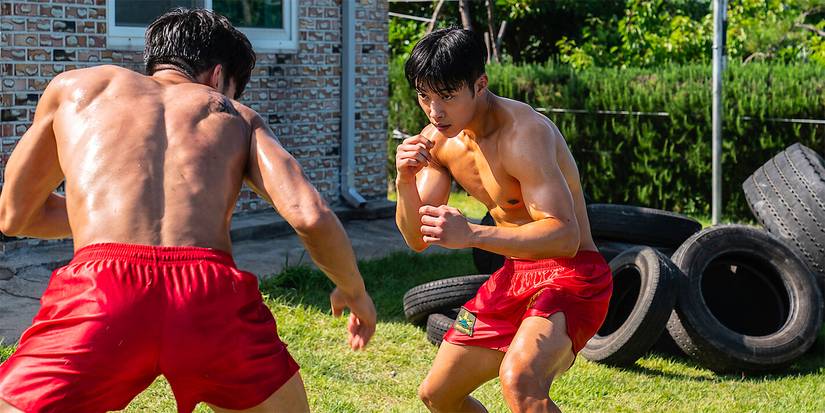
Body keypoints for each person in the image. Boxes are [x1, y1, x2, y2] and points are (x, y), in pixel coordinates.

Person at [0, 8, 376, 413]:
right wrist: (354, 291)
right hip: (209, 294)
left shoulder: (75, 89)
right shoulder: (238, 117)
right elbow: (310, 215)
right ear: (218, 76)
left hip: (101, 294)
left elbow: (15, 216)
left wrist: (108, 217)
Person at [395, 28, 613, 413]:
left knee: (520, 380)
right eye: (424, 96)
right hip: (513, 276)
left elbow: (565, 236)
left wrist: (472, 234)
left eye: (447, 96)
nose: (434, 111)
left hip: (571, 275)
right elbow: (416, 238)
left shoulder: (523, 133)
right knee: (438, 395)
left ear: (480, 85)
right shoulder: (438, 140)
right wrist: (404, 182)